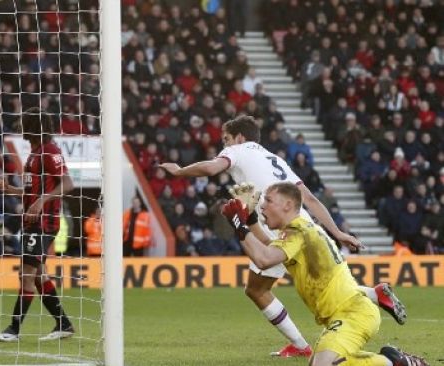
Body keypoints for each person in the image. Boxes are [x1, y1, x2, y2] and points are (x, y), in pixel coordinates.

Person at [160, 115, 406, 358]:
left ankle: (301, 345)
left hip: (279, 226)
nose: (224, 146)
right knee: (323, 281)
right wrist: (337, 232)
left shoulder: (239, 150)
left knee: (257, 289)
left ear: (240, 137)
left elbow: (211, 167)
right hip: (306, 226)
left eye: (226, 139)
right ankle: (374, 294)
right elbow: (308, 198)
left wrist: (180, 171)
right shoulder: (274, 158)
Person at [221, 182, 428, 366]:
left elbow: (264, 259)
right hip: (347, 312)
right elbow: (269, 249)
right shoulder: (301, 230)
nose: (263, 204)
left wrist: (239, 224)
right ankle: (391, 361)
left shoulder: (298, 233)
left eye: (268, 200)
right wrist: (250, 219)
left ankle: (397, 363)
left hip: (353, 313)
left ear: (287, 205)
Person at [0, 107, 75, 342]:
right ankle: (63, 324)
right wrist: (13, 190)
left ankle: (13, 330)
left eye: (23, 124)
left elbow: (68, 184)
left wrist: (42, 201)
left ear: (32, 127)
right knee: (38, 276)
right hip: (32, 223)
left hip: (43, 224)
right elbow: (33, 192)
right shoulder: (34, 154)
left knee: (26, 276)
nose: (20, 128)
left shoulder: (50, 152)